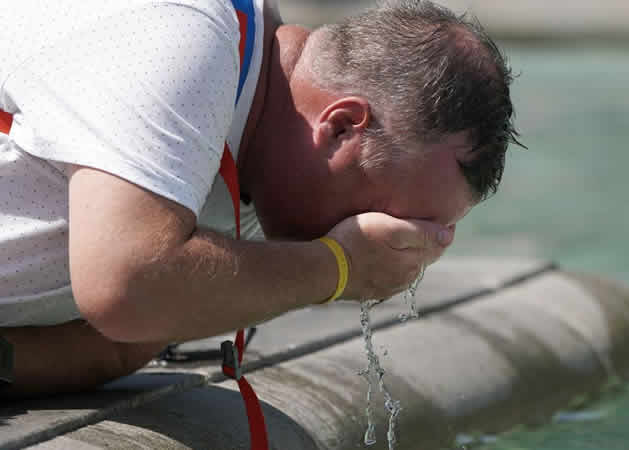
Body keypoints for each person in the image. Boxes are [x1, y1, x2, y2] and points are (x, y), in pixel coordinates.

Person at [0, 0, 519, 398]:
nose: (390, 241)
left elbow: (117, 346)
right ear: (340, 126)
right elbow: (127, 284)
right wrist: (337, 266)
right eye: (389, 217)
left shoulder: (256, 153)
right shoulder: (182, 37)